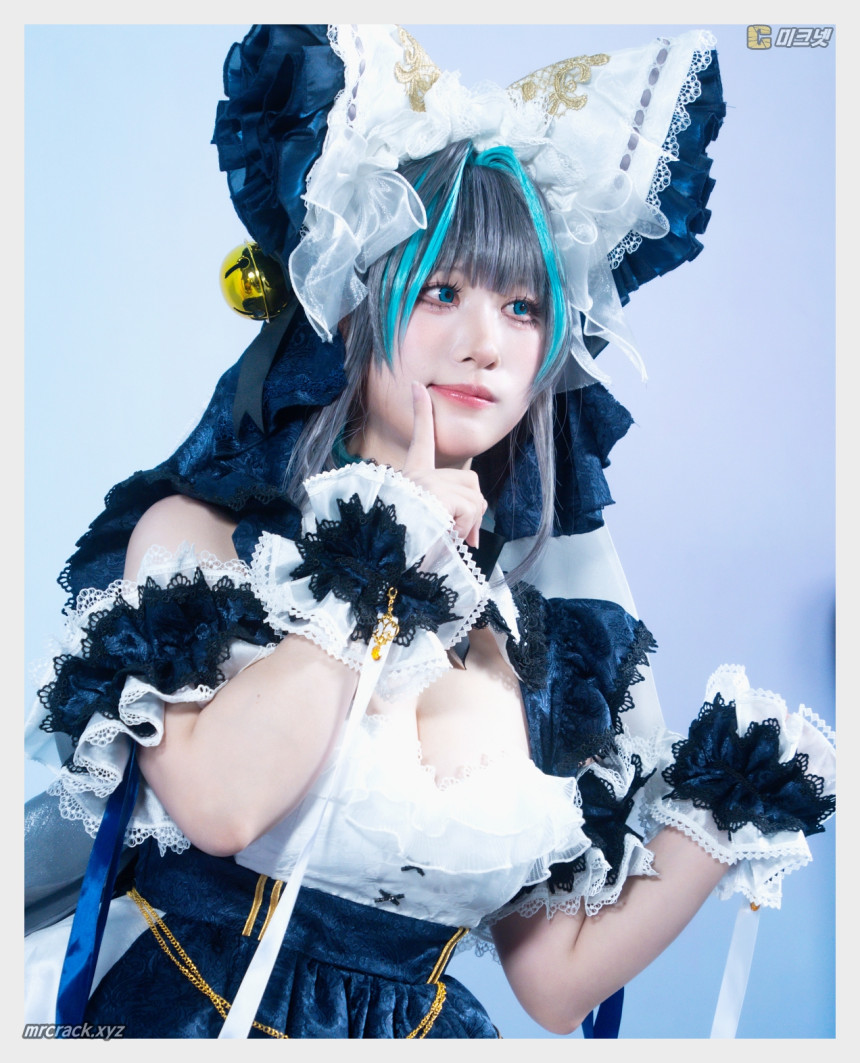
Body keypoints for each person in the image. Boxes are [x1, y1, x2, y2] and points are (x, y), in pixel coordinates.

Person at [24, 24, 836, 1039]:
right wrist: (384, 558)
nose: (484, 342)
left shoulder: (539, 646)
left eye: (524, 307)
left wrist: (727, 813)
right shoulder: (205, 542)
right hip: (190, 1013)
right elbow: (224, 807)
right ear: (355, 307)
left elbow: (555, 982)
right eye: (442, 290)